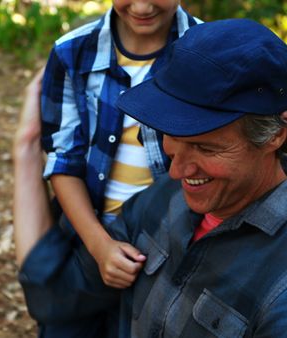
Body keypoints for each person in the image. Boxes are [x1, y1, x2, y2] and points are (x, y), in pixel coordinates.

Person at [16, 19, 287, 337]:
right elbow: (58, 293)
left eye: (205, 148)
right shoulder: (165, 197)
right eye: (171, 141)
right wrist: (26, 151)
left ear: (274, 135)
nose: (176, 171)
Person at [16, 1, 200, 336]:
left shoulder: (206, 52)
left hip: (172, 253)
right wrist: (100, 246)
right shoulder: (72, 53)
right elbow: (63, 159)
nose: (142, 6)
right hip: (87, 241)